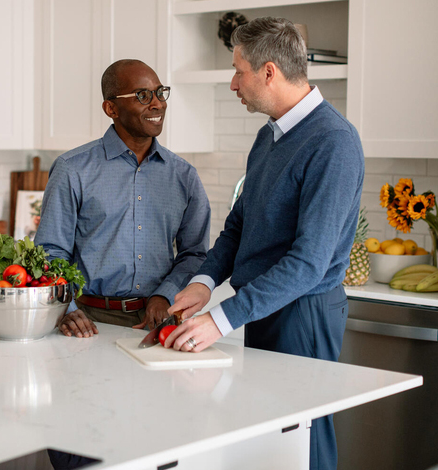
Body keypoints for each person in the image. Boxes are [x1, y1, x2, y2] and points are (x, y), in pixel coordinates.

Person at [164, 17, 364, 470]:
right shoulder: (270, 135)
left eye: (239, 71)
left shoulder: (334, 141)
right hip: (265, 306)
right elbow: (239, 224)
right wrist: (204, 281)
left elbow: (309, 264)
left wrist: (221, 319)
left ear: (269, 72)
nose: (234, 83)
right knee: (269, 440)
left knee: (303, 437)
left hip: (304, 311)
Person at [35, 59, 210, 338]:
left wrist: (164, 296)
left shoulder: (183, 176)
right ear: (111, 108)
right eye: (142, 95)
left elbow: (194, 253)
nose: (157, 103)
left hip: (160, 320)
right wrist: (64, 310)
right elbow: (51, 252)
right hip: (88, 321)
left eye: (160, 93)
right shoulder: (73, 169)